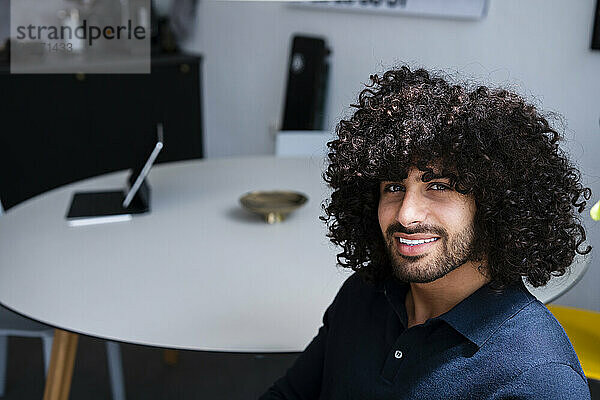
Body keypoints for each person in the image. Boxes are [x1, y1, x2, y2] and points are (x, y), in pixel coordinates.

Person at [259, 66, 593, 399]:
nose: (406, 214)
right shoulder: (363, 294)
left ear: (493, 203)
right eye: (393, 187)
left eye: (437, 186)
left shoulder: (539, 378)